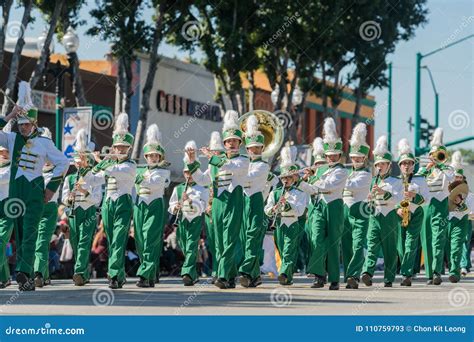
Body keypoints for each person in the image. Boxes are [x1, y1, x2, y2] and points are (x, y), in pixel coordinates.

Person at [0, 82, 69, 290]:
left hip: (35, 190)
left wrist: (50, 189)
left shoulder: (45, 143)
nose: (22, 127)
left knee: (30, 232)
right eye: (20, 124)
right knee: (19, 232)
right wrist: (10, 115)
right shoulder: (12, 139)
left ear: (34, 123)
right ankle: (22, 273)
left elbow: (63, 163)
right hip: (15, 191)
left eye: (26, 124)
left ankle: (23, 273)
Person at [185, 110, 249, 289]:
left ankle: (222, 274)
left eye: (234, 141)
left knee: (229, 239)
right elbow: (202, 180)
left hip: (234, 202)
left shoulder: (243, 160)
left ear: (239, 143)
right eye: (228, 142)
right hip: (218, 204)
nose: (231, 144)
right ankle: (229, 277)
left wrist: (212, 157)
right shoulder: (216, 162)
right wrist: (192, 161)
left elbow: (230, 166)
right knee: (220, 241)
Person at [298, 118, 348, 290]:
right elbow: (312, 190)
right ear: (325, 155)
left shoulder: (342, 170)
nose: (332, 157)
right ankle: (319, 275)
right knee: (316, 239)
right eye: (329, 155)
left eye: (335, 155)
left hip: (334, 206)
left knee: (334, 243)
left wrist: (311, 177)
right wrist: (298, 182)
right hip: (319, 206)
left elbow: (328, 186)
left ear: (339, 155)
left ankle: (334, 278)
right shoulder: (319, 169)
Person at [89, 113, 137, 289]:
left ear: (129, 149)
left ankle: (114, 274)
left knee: (118, 239)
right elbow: (95, 178)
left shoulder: (130, 165)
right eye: (117, 147)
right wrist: (89, 170)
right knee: (111, 239)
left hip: (123, 202)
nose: (120, 150)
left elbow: (114, 171)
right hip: (108, 204)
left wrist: (101, 161)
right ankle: (119, 274)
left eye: (124, 148)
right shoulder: (110, 164)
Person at [62, 129, 102, 286]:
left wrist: (84, 192)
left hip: (89, 211)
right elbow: (64, 197)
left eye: (83, 159)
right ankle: (84, 273)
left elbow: (97, 199)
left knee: (85, 241)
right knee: (75, 242)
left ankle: (78, 271)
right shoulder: (70, 178)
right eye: (78, 160)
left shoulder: (94, 177)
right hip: (74, 213)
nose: (80, 162)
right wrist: (69, 199)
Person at [361, 135, 403, 287]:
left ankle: (389, 278)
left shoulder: (396, 181)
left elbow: (398, 199)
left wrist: (383, 193)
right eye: (378, 165)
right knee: (372, 245)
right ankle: (367, 272)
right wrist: (369, 198)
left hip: (390, 215)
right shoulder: (373, 181)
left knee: (390, 249)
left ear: (389, 165)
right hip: (375, 215)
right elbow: (366, 200)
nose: (379, 167)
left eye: (383, 165)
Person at [133, 124, 170, 288]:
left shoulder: (163, 171)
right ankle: (150, 270)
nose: (153, 159)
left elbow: (155, 183)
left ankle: (145, 274)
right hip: (140, 205)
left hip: (155, 205)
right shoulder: (139, 170)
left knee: (150, 239)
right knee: (140, 241)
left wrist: (136, 175)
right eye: (150, 156)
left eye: (156, 156)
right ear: (146, 157)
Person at [265, 146, 306, 286]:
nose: (286, 180)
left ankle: (283, 274)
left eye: (288, 177)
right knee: (282, 251)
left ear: (294, 178)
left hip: (292, 223)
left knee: (289, 250)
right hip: (279, 224)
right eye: (283, 178)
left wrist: (287, 205)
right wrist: (273, 209)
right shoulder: (274, 193)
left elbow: (300, 211)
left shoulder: (300, 193)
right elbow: (267, 209)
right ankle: (287, 276)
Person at [169, 141, 208, 286]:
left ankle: (186, 272)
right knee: (185, 247)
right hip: (182, 221)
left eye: (191, 172)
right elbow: (171, 205)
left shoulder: (202, 188)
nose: (189, 175)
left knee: (192, 246)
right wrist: (176, 207)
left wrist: (190, 202)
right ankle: (193, 273)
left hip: (195, 220)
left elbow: (203, 206)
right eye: (186, 173)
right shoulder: (178, 188)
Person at [418, 128, 454, 285]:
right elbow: (416, 183)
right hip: (426, 205)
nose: (435, 158)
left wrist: (439, 165)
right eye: (433, 155)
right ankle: (429, 274)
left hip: (440, 204)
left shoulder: (448, 169)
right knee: (426, 239)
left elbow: (449, 179)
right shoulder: (423, 168)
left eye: (438, 155)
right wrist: (426, 170)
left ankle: (437, 271)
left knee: (438, 238)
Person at [239, 115, 269, 288]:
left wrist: (232, 168)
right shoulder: (242, 162)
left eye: (257, 148)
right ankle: (255, 275)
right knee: (245, 238)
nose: (254, 151)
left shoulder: (263, 165)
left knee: (252, 236)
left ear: (262, 148)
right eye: (251, 148)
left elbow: (247, 179)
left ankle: (245, 270)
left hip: (256, 199)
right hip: (243, 199)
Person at [395, 139, 430, 286]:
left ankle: (406, 274)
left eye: (409, 163)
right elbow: (389, 199)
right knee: (400, 246)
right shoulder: (394, 180)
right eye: (404, 163)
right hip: (398, 214)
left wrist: (414, 197)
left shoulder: (420, 180)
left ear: (413, 165)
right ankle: (404, 267)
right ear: (400, 165)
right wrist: (396, 207)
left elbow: (427, 199)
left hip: (415, 214)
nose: (406, 166)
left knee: (410, 243)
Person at [341, 123, 372, 289]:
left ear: (365, 158)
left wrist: (334, 173)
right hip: (345, 211)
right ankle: (348, 275)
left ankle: (354, 275)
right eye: (354, 158)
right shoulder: (345, 172)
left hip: (360, 211)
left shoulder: (366, 175)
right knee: (346, 244)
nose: (356, 160)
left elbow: (350, 185)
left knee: (358, 244)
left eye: (359, 158)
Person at [34, 128, 63, 287]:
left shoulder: (56, 172)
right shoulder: (35, 170)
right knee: (37, 242)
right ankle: (43, 274)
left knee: (42, 240)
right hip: (34, 208)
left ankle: (38, 273)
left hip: (49, 208)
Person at [445, 151, 471, 283]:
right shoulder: (444, 192)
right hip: (445, 222)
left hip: (460, 221)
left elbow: (471, 211)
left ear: (463, 179)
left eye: (460, 178)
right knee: (445, 247)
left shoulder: (469, 194)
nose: (457, 180)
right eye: (455, 177)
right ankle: (435, 272)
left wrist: (461, 204)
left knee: (456, 247)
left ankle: (454, 272)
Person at [203, 131, 225, 282]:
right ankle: (217, 270)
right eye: (213, 151)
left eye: (218, 152)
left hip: (225, 204)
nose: (216, 154)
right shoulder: (210, 168)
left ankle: (225, 270)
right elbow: (201, 180)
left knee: (225, 240)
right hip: (211, 208)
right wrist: (191, 162)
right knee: (214, 242)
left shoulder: (225, 164)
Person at [0, 128, 12, 288]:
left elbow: (3, 178)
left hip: (8, 206)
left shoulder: (13, 167)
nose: (3, 154)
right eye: (1, 151)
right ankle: (5, 277)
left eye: (5, 152)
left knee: (1, 241)